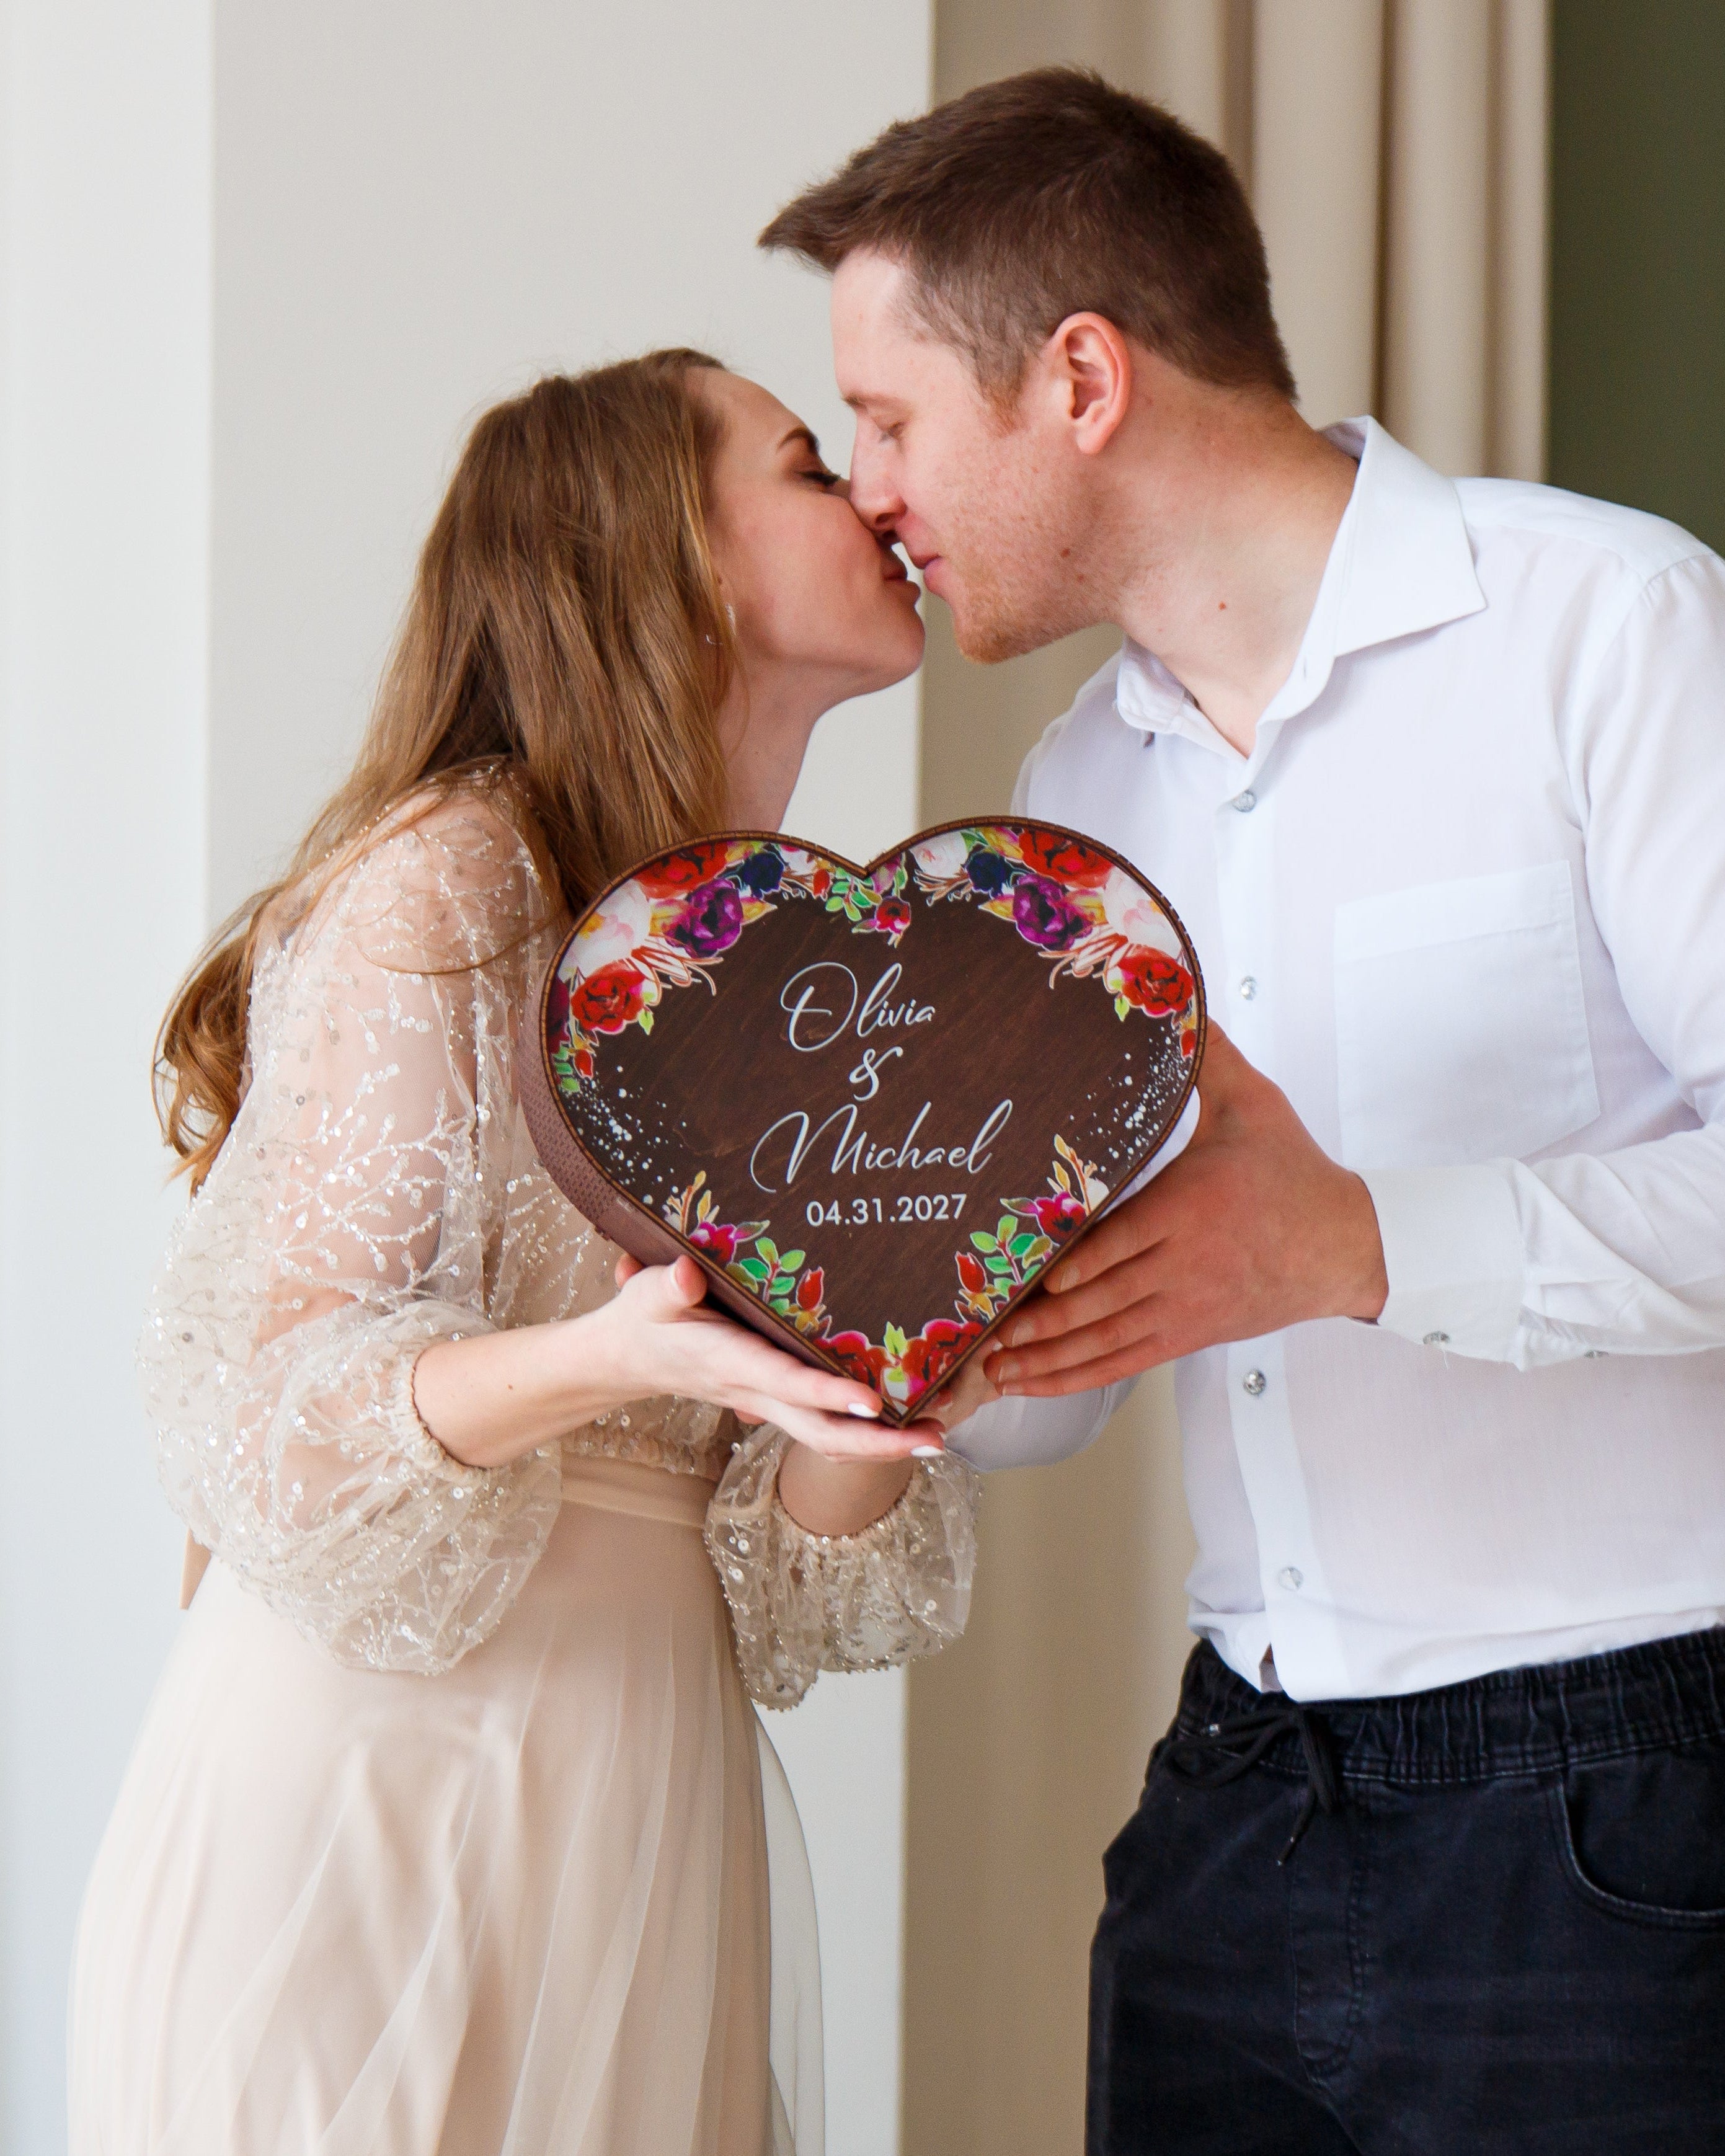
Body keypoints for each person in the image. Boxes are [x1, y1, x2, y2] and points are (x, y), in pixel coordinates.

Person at [763, 66, 1725, 2154]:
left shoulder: (1608, 629)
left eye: (894, 417)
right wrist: (887, 1301)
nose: (871, 487)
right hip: (1232, 1805)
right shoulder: (1067, 808)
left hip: (1626, 1803)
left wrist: (1357, 1240)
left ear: (1081, 380)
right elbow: (1065, 1381)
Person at [69, 351, 985, 2156]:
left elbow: (793, 1589)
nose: (877, 499)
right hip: (368, 1814)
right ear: (668, 556)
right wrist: (621, 1355)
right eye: (812, 465)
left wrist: (882, 1390)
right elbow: (263, 1420)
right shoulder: (453, 881)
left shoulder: (783, 985)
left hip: (637, 1808)